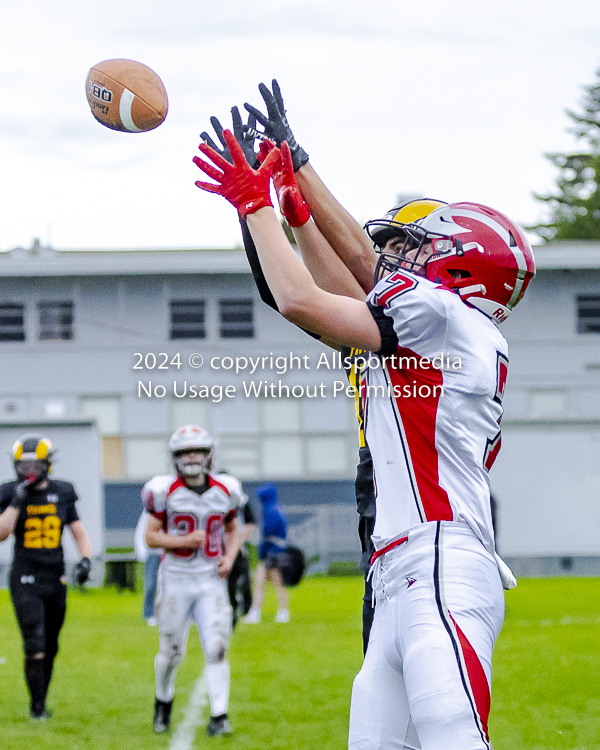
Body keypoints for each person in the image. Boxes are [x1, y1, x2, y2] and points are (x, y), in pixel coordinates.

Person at [193, 110, 535, 748]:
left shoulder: (443, 317)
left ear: (460, 269)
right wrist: (294, 212)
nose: (393, 260)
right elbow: (348, 287)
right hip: (400, 567)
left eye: (415, 249)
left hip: (438, 557)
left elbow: (308, 300)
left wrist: (259, 204)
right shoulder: (446, 328)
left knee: (453, 737)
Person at [201, 90, 445, 653]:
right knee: (384, 666)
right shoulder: (386, 319)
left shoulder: (434, 316)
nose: (387, 258)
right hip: (380, 490)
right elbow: (300, 290)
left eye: (402, 248)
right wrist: (267, 210)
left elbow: (339, 280)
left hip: (427, 501)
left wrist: (269, 197)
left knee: (428, 681)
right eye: (384, 246)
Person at [143, 424, 242, 737]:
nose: (191, 457)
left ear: (209, 453)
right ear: (175, 457)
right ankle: (163, 702)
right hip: (176, 578)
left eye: (197, 450)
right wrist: (183, 540)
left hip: (211, 578)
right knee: (172, 651)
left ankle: (220, 715)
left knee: (217, 647)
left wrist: (229, 557)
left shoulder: (226, 489)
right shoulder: (164, 491)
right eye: (185, 452)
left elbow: (233, 529)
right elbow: (150, 537)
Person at [0, 434, 92, 720]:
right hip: (25, 575)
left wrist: (86, 559)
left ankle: (42, 699)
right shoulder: (9, 492)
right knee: (35, 642)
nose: (28, 471)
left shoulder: (63, 491)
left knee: (51, 644)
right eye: (23, 465)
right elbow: (2, 534)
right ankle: (36, 708)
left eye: (35, 464)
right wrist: (16, 502)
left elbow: (78, 531)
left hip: (56, 576)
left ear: (48, 464)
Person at [244, 483, 289, 624]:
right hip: (274, 552)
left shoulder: (271, 511)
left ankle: (275, 612)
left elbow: (269, 532)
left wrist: (264, 550)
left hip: (271, 553)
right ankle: (261, 612)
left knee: (271, 582)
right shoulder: (276, 509)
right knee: (266, 582)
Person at [226, 488, 257, 627]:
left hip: (237, 547)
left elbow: (250, 522)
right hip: (219, 548)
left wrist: (240, 540)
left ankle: (246, 609)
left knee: (242, 579)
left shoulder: (240, 501)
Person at [134, 507, 161, 625]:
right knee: (150, 584)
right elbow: (141, 530)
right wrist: (141, 550)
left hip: (171, 553)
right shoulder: (151, 509)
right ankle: (149, 613)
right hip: (153, 553)